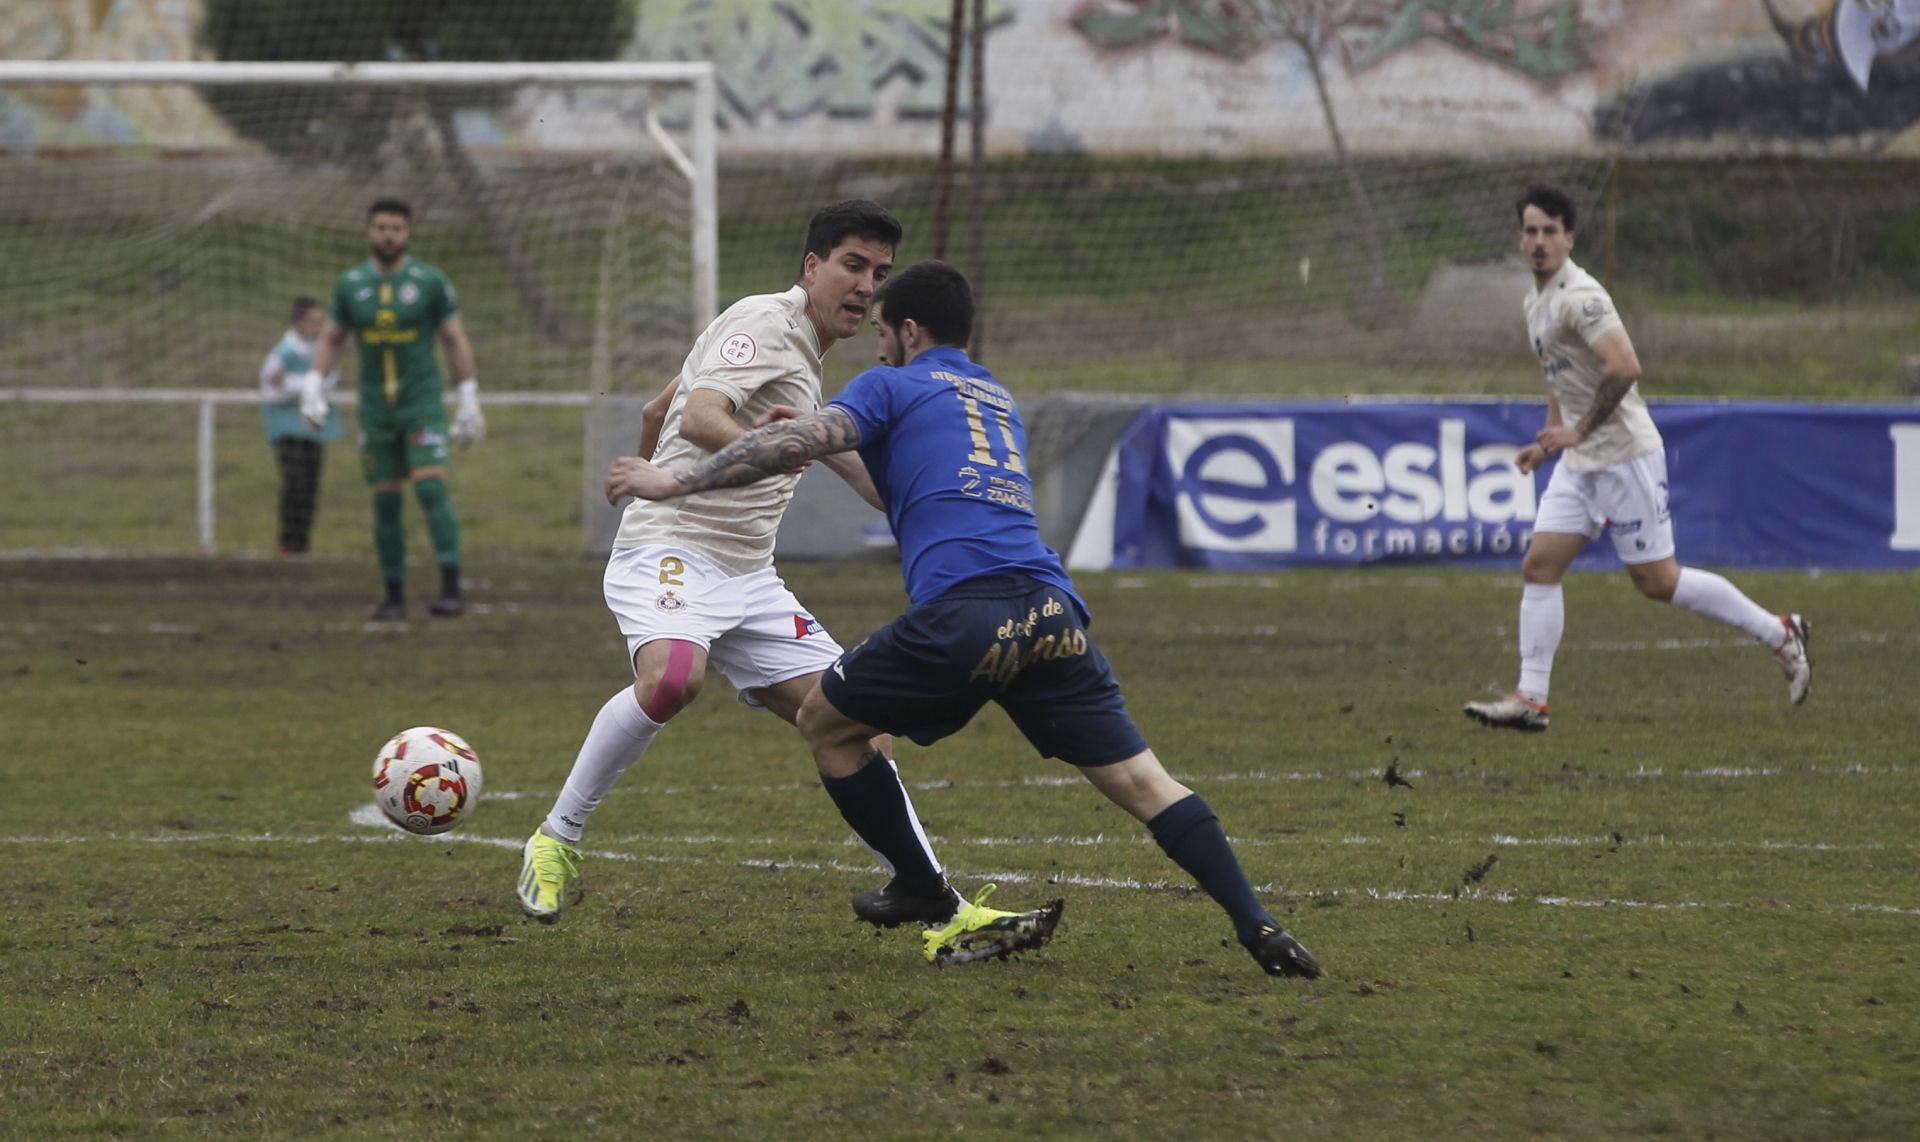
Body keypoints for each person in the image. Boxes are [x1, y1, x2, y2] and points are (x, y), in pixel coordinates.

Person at [605, 260, 1322, 979]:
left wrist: (674, 478)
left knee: (825, 722)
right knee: (1144, 782)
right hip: (1053, 613)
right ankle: (1257, 923)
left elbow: (779, 445)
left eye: (884, 332)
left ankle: (919, 885)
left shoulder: (892, 382)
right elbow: (905, 493)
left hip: (965, 617)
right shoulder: (992, 397)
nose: (878, 346)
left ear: (909, 331)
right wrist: (828, 446)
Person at [518, 203, 1059, 965]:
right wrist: (679, 485)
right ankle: (556, 839)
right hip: (674, 547)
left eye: (878, 274)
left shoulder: (812, 359)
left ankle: (942, 905)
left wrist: (815, 446)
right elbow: (702, 417)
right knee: (673, 679)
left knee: (863, 726)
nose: (865, 286)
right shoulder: (765, 322)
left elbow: (659, 407)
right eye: (851, 266)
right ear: (811, 268)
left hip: (750, 574)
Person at [1462, 184, 1810, 733]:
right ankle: (1532, 699)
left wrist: (1578, 430)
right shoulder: (1537, 300)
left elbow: (1624, 367)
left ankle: (1778, 633)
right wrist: (1551, 434)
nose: (1538, 241)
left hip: (1624, 456)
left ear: (1568, 238)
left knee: (1658, 582)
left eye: (1549, 231)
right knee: (1540, 564)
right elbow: (1559, 371)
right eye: (1530, 230)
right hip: (1581, 462)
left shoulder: (1582, 296)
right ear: (1519, 238)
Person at [294, 197, 485, 620]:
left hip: (422, 406)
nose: (388, 235)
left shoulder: (430, 282)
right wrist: (312, 386)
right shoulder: (350, 285)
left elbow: (454, 339)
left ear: (408, 233)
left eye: (396, 228)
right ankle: (394, 595)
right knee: (385, 502)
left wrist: (468, 399)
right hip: (376, 411)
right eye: (381, 227)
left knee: (431, 488)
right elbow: (331, 339)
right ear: (369, 231)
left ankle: (451, 587)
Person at [258, 296, 343, 557]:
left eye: (321, 321)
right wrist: (308, 385)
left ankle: (303, 543)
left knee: (310, 487)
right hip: (286, 429)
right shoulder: (284, 351)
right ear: (297, 323)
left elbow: (328, 383)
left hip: (314, 427)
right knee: (293, 484)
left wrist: (295, 383)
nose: (318, 327)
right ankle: (288, 542)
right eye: (312, 321)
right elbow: (272, 386)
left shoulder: (324, 350)